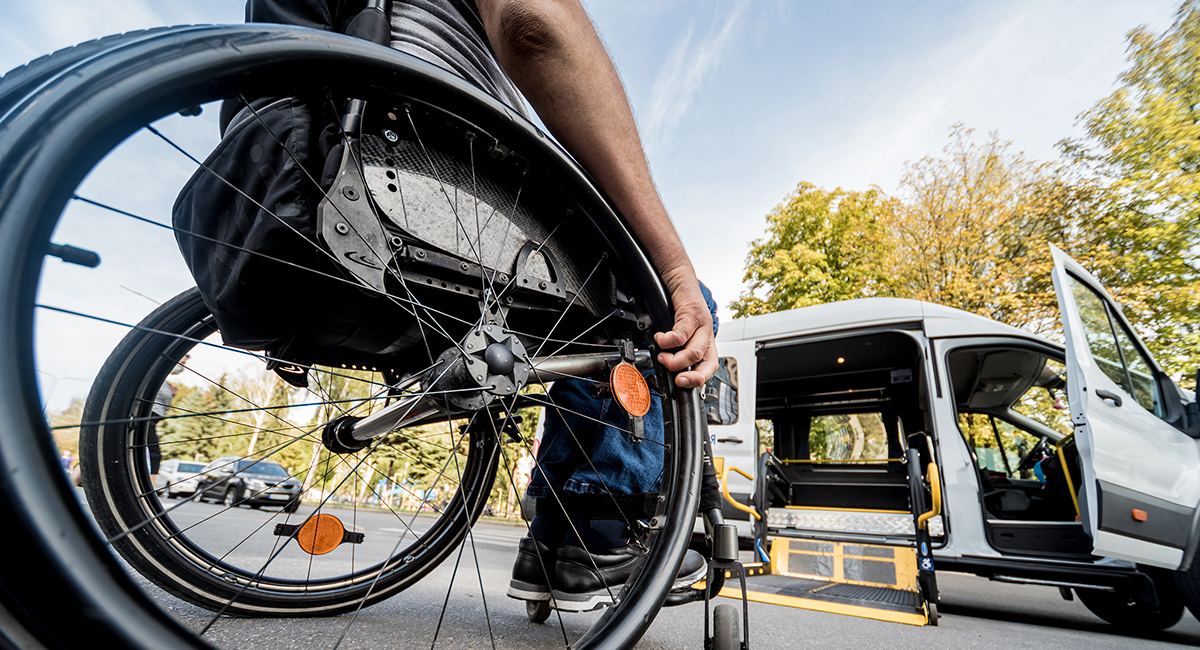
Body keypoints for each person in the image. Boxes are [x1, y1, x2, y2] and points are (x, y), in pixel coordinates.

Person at [237, 0, 719, 609]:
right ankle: (586, 537)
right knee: (671, 301)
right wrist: (673, 265)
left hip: (310, 169)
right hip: (435, 175)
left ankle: (558, 539)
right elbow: (532, 21)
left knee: (587, 287)